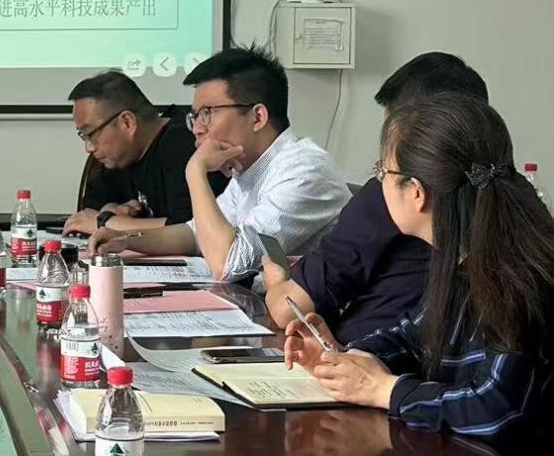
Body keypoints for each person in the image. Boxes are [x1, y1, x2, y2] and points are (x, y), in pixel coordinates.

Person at [285, 94, 554, 438]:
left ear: (416, 191)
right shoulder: (459, 256)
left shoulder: (519, 272)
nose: (378, 182)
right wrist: (342, 356)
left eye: (381, 171)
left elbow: (497, 409)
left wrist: (386, 391)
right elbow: (414, 339)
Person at [263, 52, 486, 344]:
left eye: (383, 167)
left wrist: (277, 282)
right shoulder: (498, 188)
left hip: (369, 360)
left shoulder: (389, 193)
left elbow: (289, 309)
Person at [88, 46, 350, 281]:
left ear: (257, 117)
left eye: (207, 113)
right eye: (195, 116)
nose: (197, 129)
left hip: (317, 317)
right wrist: (126, 241)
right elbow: (195, 235)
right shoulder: (250, 169)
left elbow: (228, 265)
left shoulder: (305, 171)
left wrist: (195, 171)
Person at [63, 70, 226, 235]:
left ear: (127, 122)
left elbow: (192, 229)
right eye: (83, 136)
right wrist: (109, 210)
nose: (89, 148)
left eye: (91, 134)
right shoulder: (116, 158)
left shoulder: (183, 144)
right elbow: (88, 216)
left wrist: (109, 223)